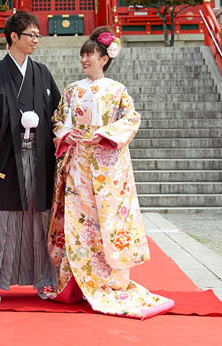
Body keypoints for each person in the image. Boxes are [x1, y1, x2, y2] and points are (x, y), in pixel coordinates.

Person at [45, 26, 175, 319]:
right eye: (82, 55)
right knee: (79, 222)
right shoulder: (72, 90)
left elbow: (131, 119)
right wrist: (67, 134)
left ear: (104, 58)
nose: (84, 60)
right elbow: (57, 120)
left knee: (108, 222)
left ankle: (111, 282)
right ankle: (74, 283)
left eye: (88, 55)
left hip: (108, 170)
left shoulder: (117, 90)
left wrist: (103, 134)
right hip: (78, 164)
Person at [0, 10, 61, 305]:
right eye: (31, 35)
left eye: (38, 35)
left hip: (39, 158)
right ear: (14, 37)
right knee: (1, 221)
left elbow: (57, 114)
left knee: (40, 220)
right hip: (5, 160)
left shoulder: (41, 72)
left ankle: (45, 281)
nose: (36, 40)